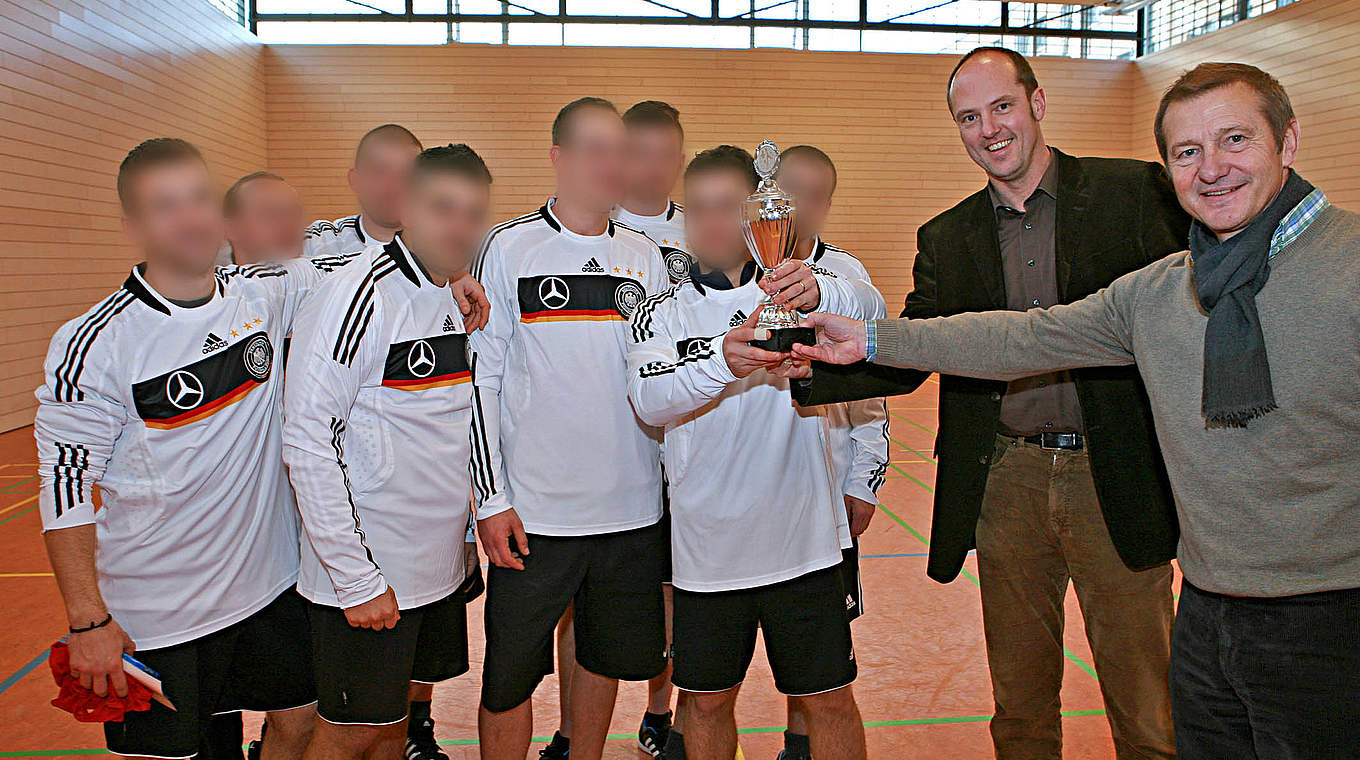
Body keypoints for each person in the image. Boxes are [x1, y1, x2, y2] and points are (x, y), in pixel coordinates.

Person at [790, 62, 1360, 760]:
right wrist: (852, 344)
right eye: (1188, 152)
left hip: (1248, 559)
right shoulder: (1141, 290)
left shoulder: (1154, 203)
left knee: (1150, 714)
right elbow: (1009, 336)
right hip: (1164, 566)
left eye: (1235, 140)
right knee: (1031, 704)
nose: (1211, 169)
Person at [789, 47, 1189, 760]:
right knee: (1021, 706)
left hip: (1117, 476)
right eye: (968, 117)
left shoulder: (1136, 194)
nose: (988, 128)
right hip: (1006, 482)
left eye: (1001, 106)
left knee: (1147, 706)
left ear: (1036, 103)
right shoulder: (948, 235)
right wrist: (809, 367)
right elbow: (914, 352)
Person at [32, 137, 358, 760]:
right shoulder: (97, 344)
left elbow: (373, 271)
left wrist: (454, 279)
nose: (189, 219)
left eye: (199, 199)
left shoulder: (262, 293)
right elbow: (66, 485)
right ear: (133, 224)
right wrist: (88, 621)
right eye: (165, 205)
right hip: (163, 617)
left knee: (303, 719)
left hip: (270, 590)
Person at [626, 145, 870, 760]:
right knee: (706, 703)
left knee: (829, 701)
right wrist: (720, 360)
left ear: (758, 215)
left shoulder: (803, 292)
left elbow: (875, 314)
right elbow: (649, 395)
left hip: (805, 542)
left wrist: (819, 295)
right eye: (698, 208)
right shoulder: (661, 307)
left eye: (728, 207)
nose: (710, 223)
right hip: (709, 552)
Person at [282, 144, 492, 760]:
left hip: (431, 570)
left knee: (392, 724)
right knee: (349, 734)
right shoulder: (357, 295)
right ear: (407, 206)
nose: (460, 227)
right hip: (371, 574)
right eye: (443, 208)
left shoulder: (446, 292)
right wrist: (355, 579)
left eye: (473, 212)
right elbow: (308, 439)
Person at [774, 144, 888, 760]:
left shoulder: (846, 276)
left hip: (824, 500)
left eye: (816, 195)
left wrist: (863, 482)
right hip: (748, 503)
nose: (801, 206)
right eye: (790, 191)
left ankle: (801, 742)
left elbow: (873, 394)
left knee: (818, 656)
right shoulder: (731, 268)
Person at [304, 124, 422, 257]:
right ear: (355, 180)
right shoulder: (317, 242)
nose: (394, 186)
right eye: (379, 172)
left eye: (407, 174)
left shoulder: (442, 245)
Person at [222, 171, 306, 265]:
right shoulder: (216, 278)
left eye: (295, 213)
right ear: (231, 229)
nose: (289, 223)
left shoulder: (322, 276)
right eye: (270, 215)